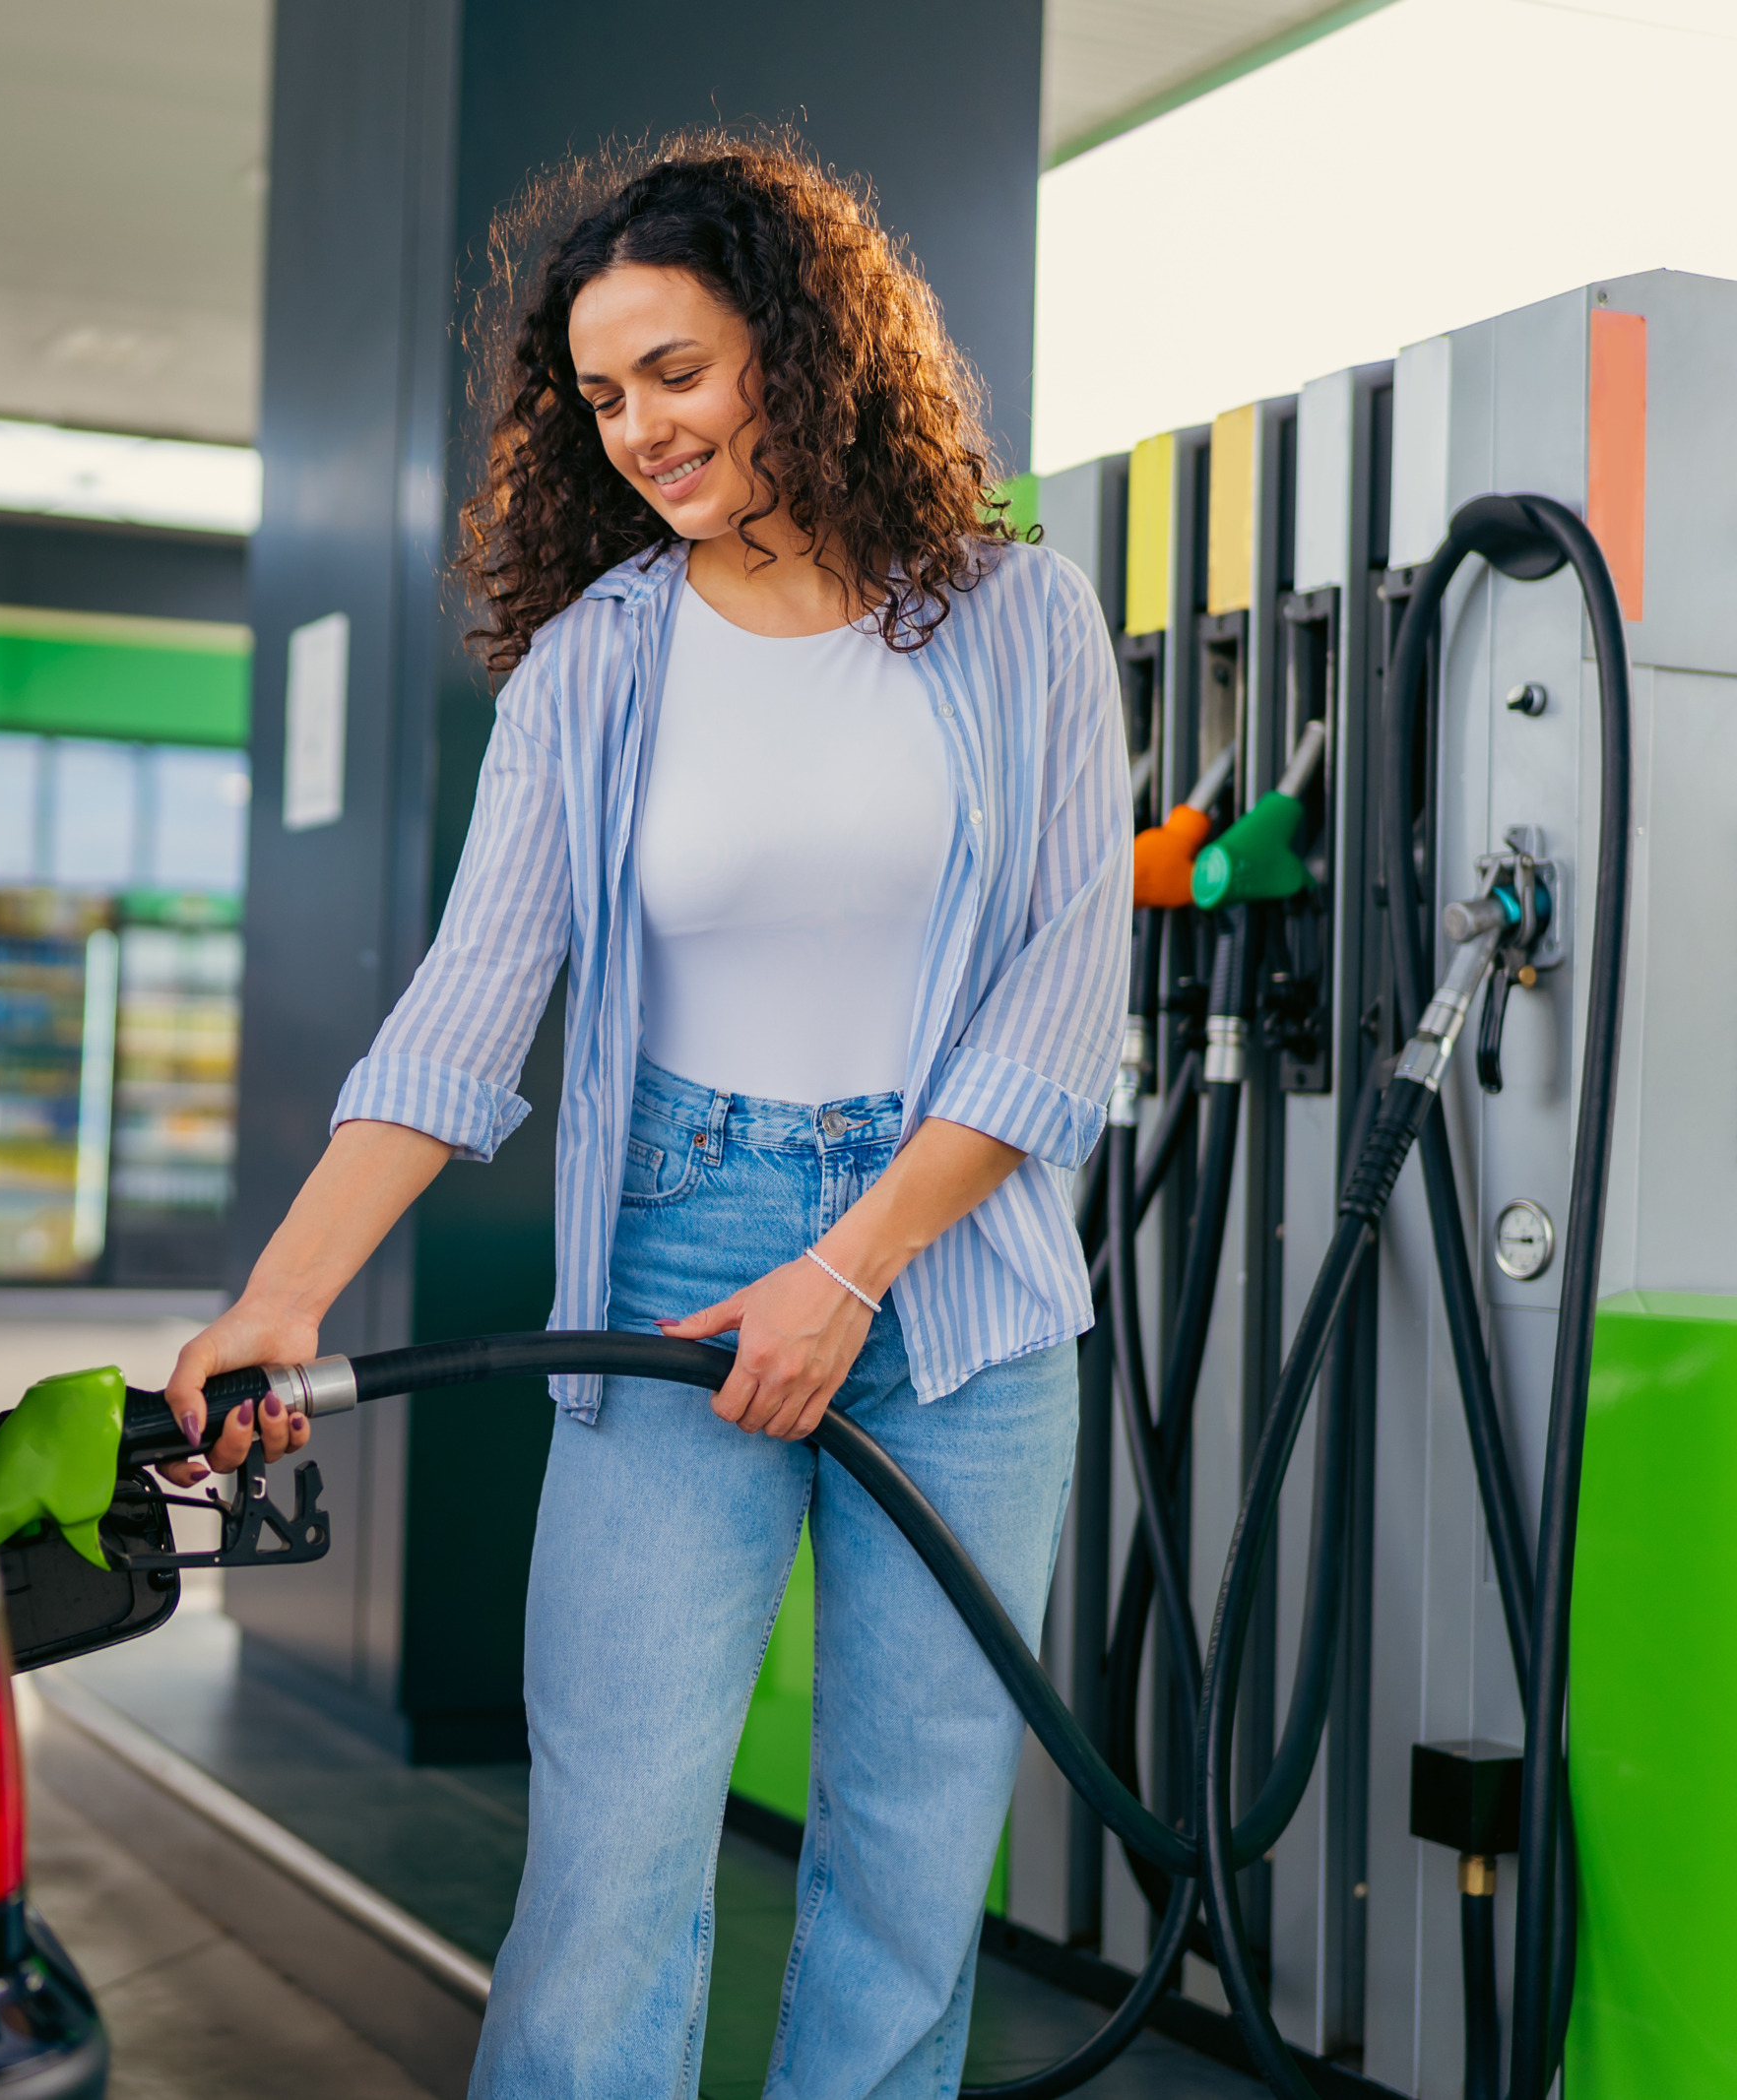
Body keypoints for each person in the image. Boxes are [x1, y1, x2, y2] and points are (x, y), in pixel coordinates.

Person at [165, 131, 1130, 2099]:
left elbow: (1061, 1002)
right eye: (602, 396)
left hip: (957, 1281)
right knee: (612, 1845)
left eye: (675, 372)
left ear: (801, 347)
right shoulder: (594, 666)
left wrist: (850, 1267)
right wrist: (283, 1294)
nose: (639, 431)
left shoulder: (1021, 619)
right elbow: (465, 1005)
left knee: (910, 1856)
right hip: (676, 1256)